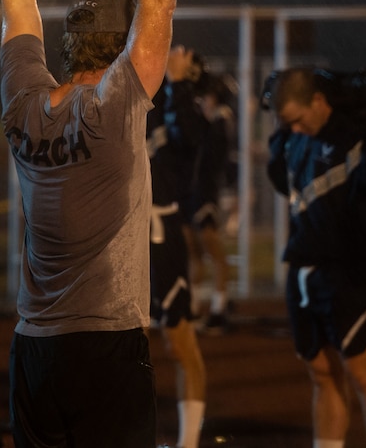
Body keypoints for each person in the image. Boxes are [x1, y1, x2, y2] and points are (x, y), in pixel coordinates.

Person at [0, 0, 190, 447]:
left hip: (33, 350)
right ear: (120, 45)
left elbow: (17, 8)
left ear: (72, 41)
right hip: (106, 346)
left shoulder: (24, 102)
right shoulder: (117, 103)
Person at [266, 67, 366, 448]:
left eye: (296, 119)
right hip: (304, 269)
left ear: (319, 102)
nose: (293, 129)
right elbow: (279, 177)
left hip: (350, 271)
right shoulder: (295, 138)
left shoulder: (353, 134)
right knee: (321, 374)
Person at [148, 47, 207, 448]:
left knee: (179, 339)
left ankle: (187, 442)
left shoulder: (181, 111)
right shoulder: (128, 93)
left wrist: (179, 83)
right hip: (120, 232)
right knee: (113, 341)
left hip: (161, 231)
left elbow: (191, 136)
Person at [184, 67, 236, 333]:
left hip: (206, 193)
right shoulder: (209, 122)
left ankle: (219, 308)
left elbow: (208, 156)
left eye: (207, 96)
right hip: (193, 193)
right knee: (193, 253)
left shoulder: (220, 121)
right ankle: (193, 308)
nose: (203, 100)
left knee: (214, 251)